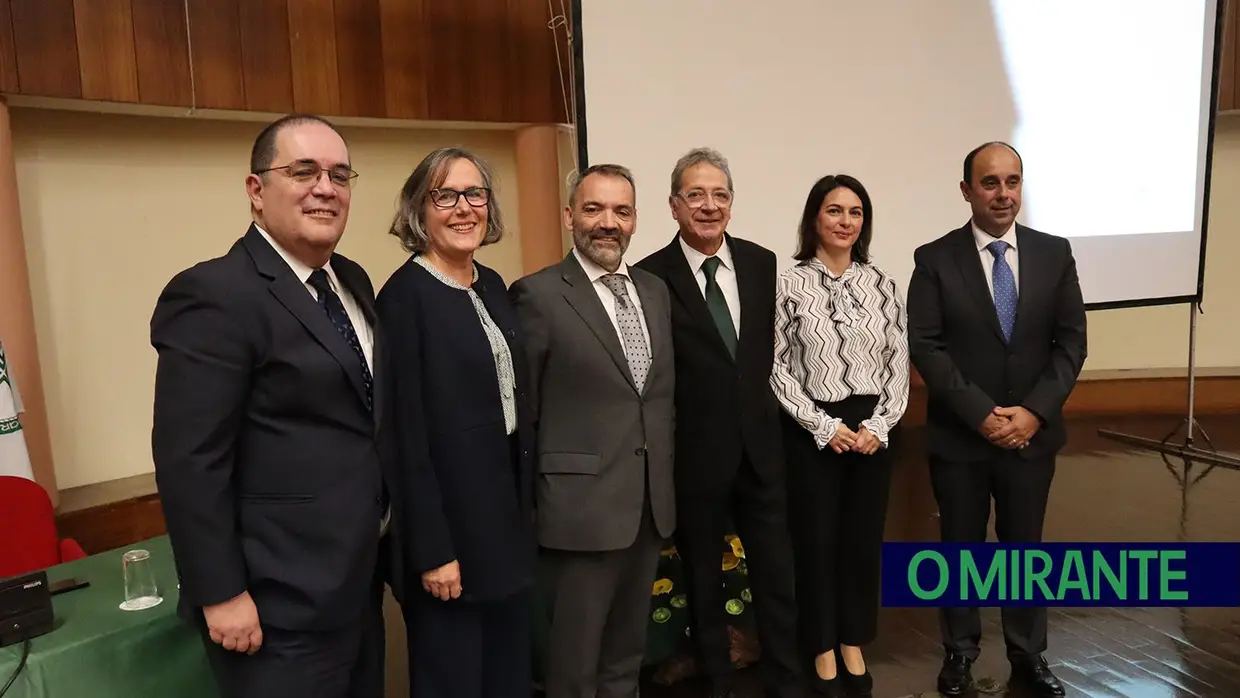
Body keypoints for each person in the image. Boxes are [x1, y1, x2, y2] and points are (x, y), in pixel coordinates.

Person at [150, 114, 387, 698]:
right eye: (303, 171)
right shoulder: (215, 294)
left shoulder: (351, 279)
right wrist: (221, 593)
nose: (325, 188)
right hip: (273, 606)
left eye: (339, 174)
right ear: (256, 192)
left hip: (357, 584)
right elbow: (190, 460)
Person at [906, 141, 1086, 697]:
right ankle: (959, 654)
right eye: (990, 183)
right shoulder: (934, 259)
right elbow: (927, 347)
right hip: (961, 438)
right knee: (961, 547)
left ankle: (1028, 656)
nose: (1003, 193)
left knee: (1023, 547)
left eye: (1012, 181)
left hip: (1031, 438)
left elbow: (1071, 344)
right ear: (967, 191)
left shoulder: (1055, 253)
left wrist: (1033, 412)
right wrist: (982, 415)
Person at [634, 148, 802, 698]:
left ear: (732, 203)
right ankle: (719, 681)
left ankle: (786, 678)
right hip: (694, 454)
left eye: (720, 195)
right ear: (674, 206)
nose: (709, 206)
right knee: (702, 578)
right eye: (696, 195)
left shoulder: (761, 262)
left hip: (761, 448)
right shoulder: (649, 277)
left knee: (777, 574)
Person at [375, 147, 536, 698]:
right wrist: (434, 550)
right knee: (456, 680)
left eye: (476, 194)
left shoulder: (491, 284)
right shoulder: (403, 299)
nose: (464, 208)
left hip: (505, 529)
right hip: (451, 540)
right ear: (420, 208)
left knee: (509, 677)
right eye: (445, 195)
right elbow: (403, 438)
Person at [510, 163, 676, 698]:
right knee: (574, 667)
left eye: (621, 211)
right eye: (594, 208)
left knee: (626, 658)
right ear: (569, 217)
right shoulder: (537, 295)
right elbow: (524, 411)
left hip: (647, 507)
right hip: (577, 510)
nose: (608, 222)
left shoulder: (654, 292)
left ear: (634, 221)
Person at [770, 174, 909, 698]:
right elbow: (775, 366)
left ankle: (854, 639)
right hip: (814, 431)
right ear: (813, 219)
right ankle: (822, 645)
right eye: (834, 211)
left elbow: (899, 363)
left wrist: (879, 425)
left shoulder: (884, 283)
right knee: (815, 544)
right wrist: (823, 427)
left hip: (872, 430)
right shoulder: (788, 283)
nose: (845, 221)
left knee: (860, 544)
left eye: (855, 212)